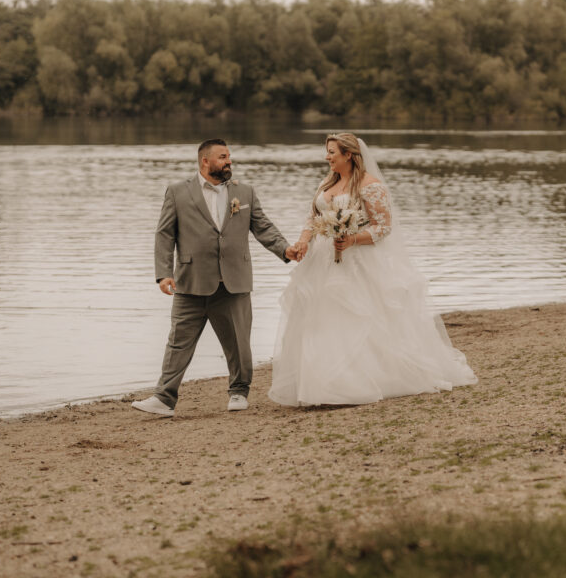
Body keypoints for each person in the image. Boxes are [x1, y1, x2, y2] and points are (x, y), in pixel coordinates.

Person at [269, 133, 477, 406]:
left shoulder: (371, 186)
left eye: (332, 152)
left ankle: (354, 382)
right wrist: (303, 242)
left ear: (349, 155)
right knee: (320, 320)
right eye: (327, 152)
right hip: (321, 262)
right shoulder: (327, 182)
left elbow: (383, 226)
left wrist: (352, 239)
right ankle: (319, 385)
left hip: (356, 262)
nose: (327, 157)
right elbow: (314, 217)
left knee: (353, 318)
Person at [133, 138, 297, 417]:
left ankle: (238, 391)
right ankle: (164, 399)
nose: (229, 161)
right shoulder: (177, 192)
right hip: (190, 280)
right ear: (205, 161)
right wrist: (163, 273)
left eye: (229, 156)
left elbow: (263, 227)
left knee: (238, 341)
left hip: (233, 280)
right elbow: (164, 234)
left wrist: (286, 249)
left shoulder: (244, 192)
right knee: (178, 342)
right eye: (222, 157)